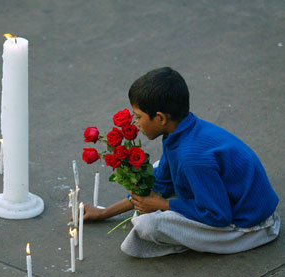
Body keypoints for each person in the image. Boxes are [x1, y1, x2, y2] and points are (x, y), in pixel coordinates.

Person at [83, 67, 280, 258]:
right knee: (158, 168)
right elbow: (159, 184)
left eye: (139, 116)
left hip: (251, 227)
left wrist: (163, 204)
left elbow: (219, 215)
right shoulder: (180, 131)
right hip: (226, 201)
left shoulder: (191, 158)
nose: (136, 123)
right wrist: (103, 213)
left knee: (148, 226)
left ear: (160, 118)